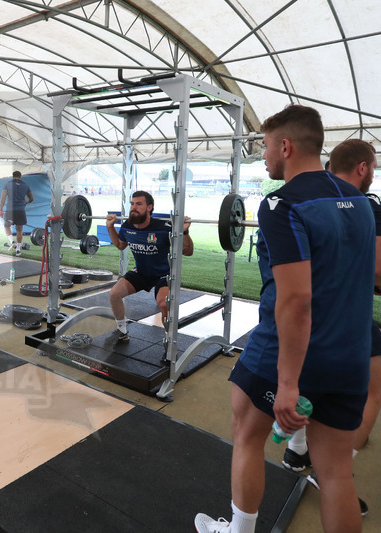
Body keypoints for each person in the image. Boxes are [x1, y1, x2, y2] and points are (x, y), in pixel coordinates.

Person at [195, 105, 374, 533]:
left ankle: (238, 531)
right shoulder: (362, 203)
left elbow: (295, 301)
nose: (263, 156)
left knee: (246, 434)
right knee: (335, 474)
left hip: (286, 353)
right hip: (350, 356)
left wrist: (289, 383)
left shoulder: (282, 204)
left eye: (266, 146)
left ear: (286, 146)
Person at [281, 139, 378, 515]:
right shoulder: (365, 206)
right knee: (372, 388)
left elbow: (293, 291)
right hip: (345, 324)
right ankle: (332, 463)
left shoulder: (307, 202)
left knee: (307, 385)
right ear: (363, 168)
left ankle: (297, 450)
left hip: (311, 330)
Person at [104, 191, 193, 342]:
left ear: (149, 207)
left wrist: (184, 231)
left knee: (164, 304)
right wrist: (110, 227)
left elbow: (188, 251)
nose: (134, 207)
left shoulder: (164, 227)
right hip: (142, 272)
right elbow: (120, 245)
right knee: (114, 294)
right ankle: (122, 330)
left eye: (139, 204)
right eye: (132, 204)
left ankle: (170, 341)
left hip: (164, 274)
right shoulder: (127, 226)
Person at [0, 171, 34, 256]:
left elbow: (3, 199)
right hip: (20, 210)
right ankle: (18, 250)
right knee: (19, 230)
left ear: (12, 176)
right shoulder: (25, 185)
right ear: (20, 176)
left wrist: (0, 209)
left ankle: (12, 241)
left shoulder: (7, 184)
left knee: (7, 226)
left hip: (10, 210)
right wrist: (26, 202)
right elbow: (32, 198)